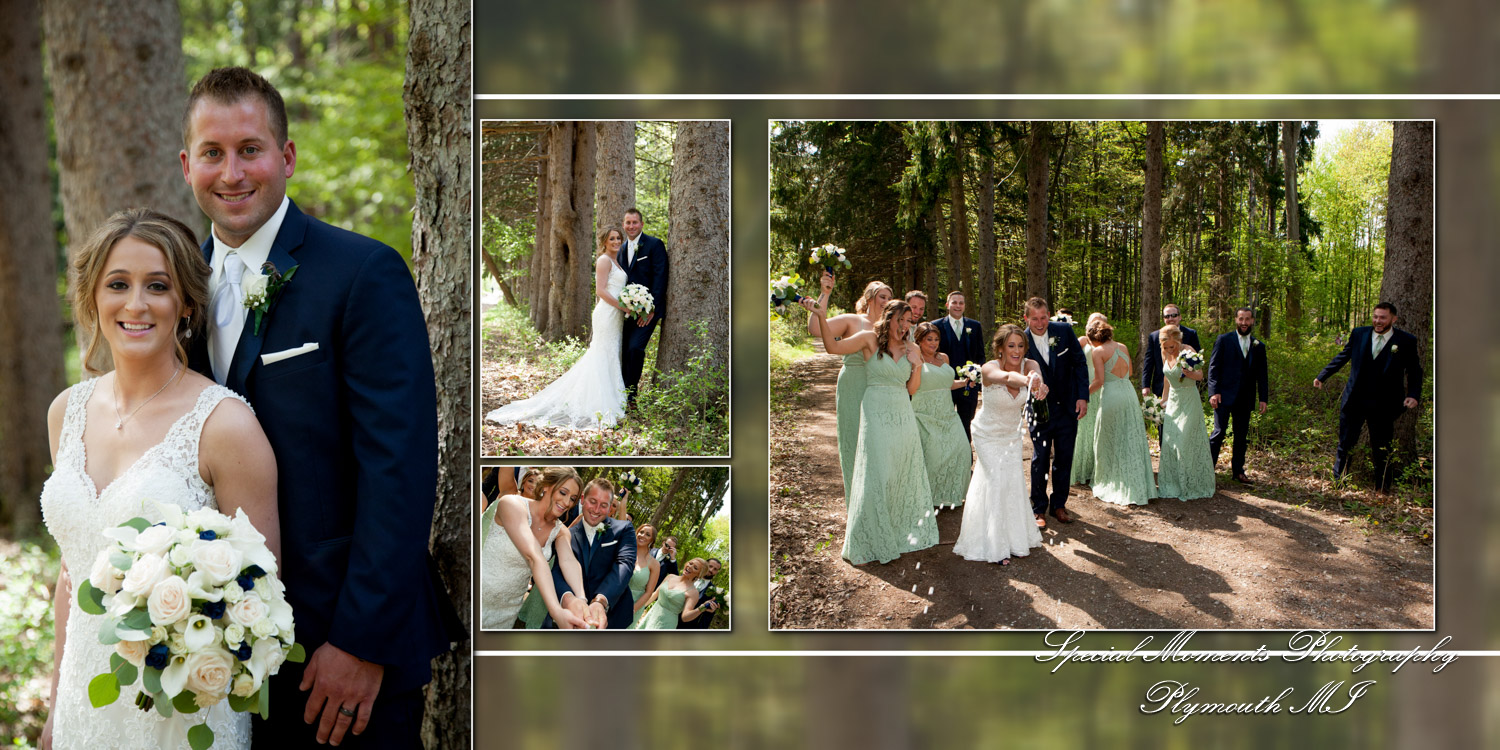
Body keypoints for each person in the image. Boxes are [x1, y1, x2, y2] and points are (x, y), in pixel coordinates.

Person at [179, 67, 454, 748]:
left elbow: (400, 466)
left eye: (251, 148)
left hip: (341, 648)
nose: (232, 171)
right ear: (187, 165)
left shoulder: (361, 273)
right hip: (220, 656)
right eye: (213, 152)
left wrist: (361, 642)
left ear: (287, 156)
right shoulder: (172, 286)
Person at [40, 209, 280, 750]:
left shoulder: (224, 424)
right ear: (92, 298)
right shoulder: (65, 412)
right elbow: (70, 576)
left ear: (187, 304)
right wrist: (57, 707)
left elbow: (262, 591)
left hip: (180, 707)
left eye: (158, 286)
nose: (136, 304)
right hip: (86, 697)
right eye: (118, 284)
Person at [812, 299, 937, 564]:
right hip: (875, 409)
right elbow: (832, 347)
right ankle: (870, 532)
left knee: (899, 469)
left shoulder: (912, 347)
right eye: (899, 320)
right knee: (876, 470)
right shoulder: (869, 339)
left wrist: (915, 364)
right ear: (888, 317)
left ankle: (895, 528)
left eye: (908, 322)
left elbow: (912, 389)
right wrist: (822, 317)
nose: (904, 326)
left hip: (902, 412)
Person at [487, 226, 629, 428]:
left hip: (616, 316)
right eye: (612, 238)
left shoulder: (617, 261)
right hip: (606, 314)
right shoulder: (604, 260)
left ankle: (612, 396)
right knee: (601, 354)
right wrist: (622, 306)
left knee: (610, 354)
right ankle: (599, 402)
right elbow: (600, 291)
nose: (616, 241)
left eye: (618, 238)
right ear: (604, 241)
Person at [953, 324, 1046, 564]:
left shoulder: (1030, 365)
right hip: (987, 434)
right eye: (1011, 345)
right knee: (995, 481)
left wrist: (1038, 382)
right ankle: (995, 546)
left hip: (1011, 436)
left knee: (1011, 483)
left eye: (1021, 346)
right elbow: (1007, 378)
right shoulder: (989, 368)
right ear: (1001, 348)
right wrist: (1028, 380)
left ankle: (1014, 539)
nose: (1017, 351)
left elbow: (1036, 374)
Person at [801, 275, 893, 504]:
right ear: (870, 298)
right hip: (853, 384)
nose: (886, 301)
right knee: (854, 436)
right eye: (883, 296)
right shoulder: (853, 321)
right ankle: (857, 498)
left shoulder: (890, 327)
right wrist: (826, 292)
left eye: (890, 298)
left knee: (879, 441)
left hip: (880, 388)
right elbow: (815, 328)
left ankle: (879, 496)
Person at [1313, 302, 1424, 490]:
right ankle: (1338, 481)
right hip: (1354, 399)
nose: (1378, 321)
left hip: (1384, 403)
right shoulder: (1359, 334)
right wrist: (1323, 375)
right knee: (1346, 442)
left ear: (1393, 319)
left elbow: (1414, 371)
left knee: (1382, 447)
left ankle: (1382, 487)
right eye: (1375, 317)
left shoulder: (1406, 341)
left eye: (1383, 318)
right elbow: (1344, 356)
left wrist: (1413, 394)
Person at [479, 468, 590, 630]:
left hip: (506, 612)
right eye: (563, 493)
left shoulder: (561, 532)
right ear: (546, 486)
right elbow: (533, 557)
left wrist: (581, 599)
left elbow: (569, 561)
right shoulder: (511, 504)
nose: (567, 503)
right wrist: (556, 611)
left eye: (572, 498)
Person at [1023, 297, 1089, 526]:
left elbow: (1080, 363)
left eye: (1043, 318)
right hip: (1039, 409)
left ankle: (1059, 505)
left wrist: (1082, 397)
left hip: (1067, 407)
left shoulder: (1063, 330)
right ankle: (1038, 508)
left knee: (1064, 457)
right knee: (1040, 459)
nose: (1040, 323)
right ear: (1026, 318)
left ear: (1049, 315)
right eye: (1034, 319)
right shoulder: (1020, 340)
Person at [547, 478, 638, 629]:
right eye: (593, 501)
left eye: (603, 505)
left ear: (610, 508)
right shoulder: (566, 534)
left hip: (611, 617)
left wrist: (601, 601)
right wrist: (568, 600)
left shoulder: (624, 529)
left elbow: (625, 565)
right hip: (570, 614)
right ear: (582, 499)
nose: (596, 510)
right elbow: (557, 570)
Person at [1085, 319, 1157, 506]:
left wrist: (1082, 393)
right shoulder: (1123, 347)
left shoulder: (1097, 352)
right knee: (1129, 437)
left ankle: (1112, 480)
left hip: (1111, 396)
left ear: (1093, 339)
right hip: (1128, 394)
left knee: (1107, 438)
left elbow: (1099, 381)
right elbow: (1130, 372)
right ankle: (1137, 482)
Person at [909, 322, 972, 508]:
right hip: (924, 414)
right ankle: (928, 497)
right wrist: (917, 365)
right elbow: (911, 387)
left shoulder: (944, 357)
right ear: (919, 340)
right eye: (929, 339)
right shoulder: (913, 358)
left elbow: (947, 383)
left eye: (936, 339)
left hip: (947, 413)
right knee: (934, 457)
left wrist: (965, 382)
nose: (934, 343)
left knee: (962, 450)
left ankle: (952, 494)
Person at [1207, 307, 1269, 484]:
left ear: (1252, 321)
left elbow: (1262, 375)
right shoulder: (1224, 340)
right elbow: (1214, 368)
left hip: (1245, 398)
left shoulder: (1259, 346)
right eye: (1241, 319)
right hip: (1223, 396)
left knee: (1241, 436)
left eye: (1247, 319)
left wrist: (1263, 398)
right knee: (1218, 432)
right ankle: (1208, 469)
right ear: (1236, 320)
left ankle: (1238, 471)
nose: (1244, 323)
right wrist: (1214, 392)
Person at [1155, 325, 1216, 501]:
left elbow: (1200, 376)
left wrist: (1189, 373)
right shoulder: (1164, 351)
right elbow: (1166, 377)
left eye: (1171, 347)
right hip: (1173, 400)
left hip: (1189, 400)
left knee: (1185, 441)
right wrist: (1163, 400)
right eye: (1165, 347)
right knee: (1171, 441)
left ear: (1178, 340)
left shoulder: (1188, 350)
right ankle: (1173, 483)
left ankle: (1192, 483)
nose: (1168, 349)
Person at [620, 208, 669, 410]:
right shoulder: (621, 248)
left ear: (641, 224)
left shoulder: (654, 245)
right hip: (626, 312)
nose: (631, 226)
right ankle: (621, 395)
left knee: (635, 348)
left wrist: (651, 309)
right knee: (623, 351)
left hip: (648, 311)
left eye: (635, 222)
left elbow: (660, 278)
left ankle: (631, 397)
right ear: (624, 225)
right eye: (628, 223)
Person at [932, 291, 984, 440]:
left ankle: (966, 459)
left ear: (965, 306)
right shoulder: (936, 326)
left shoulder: (975, 326)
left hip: (969, 385)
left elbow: (980, 355)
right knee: (944, 423)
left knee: (965, 424)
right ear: (947, 305)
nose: (958, 306)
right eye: (954, 302)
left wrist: (977, 377)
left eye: (961, 303)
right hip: (945, 385)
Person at [1071, 313, 1106, 485]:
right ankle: (1080, 469)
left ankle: (1097, 469)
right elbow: (1072, 363)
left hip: (1101, 386)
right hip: (1084, 384)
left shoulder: (1106, 345)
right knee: (1083, 428)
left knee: (1098, 428)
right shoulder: (1082, 341)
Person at [1141, 304, 1202, 398]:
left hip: (1185, 386)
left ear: (1180, 317)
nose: (1170, 318)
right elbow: (1149, 362)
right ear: (1163, 319)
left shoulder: (1190, 334)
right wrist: (1145, 385)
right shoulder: (1154, 336)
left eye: (1174, 315)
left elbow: (1197, 361)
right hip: (1161, 385)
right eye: (1167, 316)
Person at [634, 558, 713, 630]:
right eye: (690, 563)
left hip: (666, 624)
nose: (690, 567)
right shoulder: (670, 577)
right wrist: (636, 608)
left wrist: (701, 608)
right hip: (651, 615)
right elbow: (654, 595)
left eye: (695, 568)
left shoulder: (693, 592)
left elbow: (685, 617)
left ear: (699, 575)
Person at [627, 524, 662, 628]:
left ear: (652, 540)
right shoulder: (626, 551)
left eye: (647, 534)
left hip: (634, 606)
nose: (642, 535)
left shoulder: (654, 564)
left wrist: (632, 610)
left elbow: (649, 592)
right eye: (641, 532)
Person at [679, 558, 724, 629]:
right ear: (705, 565)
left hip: (686, 626)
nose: (711, 570)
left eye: (715, 569)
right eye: (710, 566)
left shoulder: (715, 593)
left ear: (717, 572)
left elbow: (707, 617)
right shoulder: (687, 575)